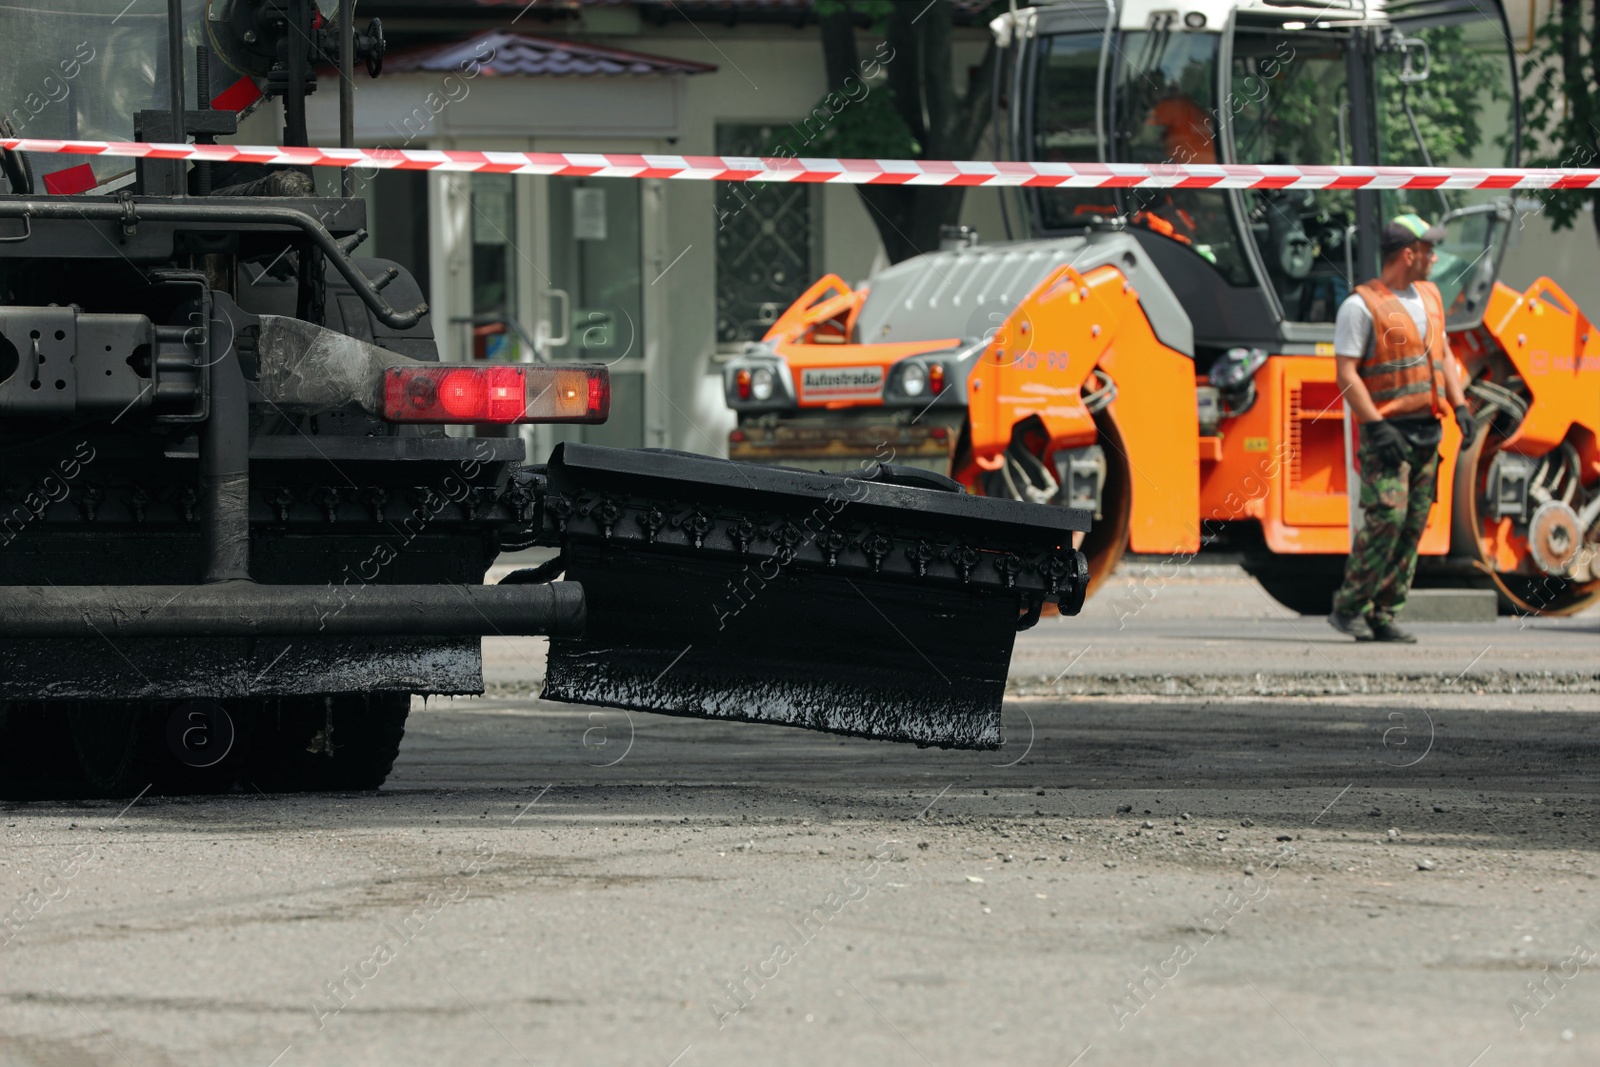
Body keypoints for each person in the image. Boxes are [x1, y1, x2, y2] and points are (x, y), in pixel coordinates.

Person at [1327, 214, 1474, 643]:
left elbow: (1442, 354)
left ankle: (1384, 612)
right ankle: (1349, 606)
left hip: (1427, 429)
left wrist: (1459, 403)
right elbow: (1346, 374)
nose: (1434, 257)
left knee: (1413, 523)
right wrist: (1374, 424)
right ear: (1408, 254)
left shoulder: (1430, 296)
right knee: (1386, 519)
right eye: (1428, 249)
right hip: (1386, 433)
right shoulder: (1360, 305)